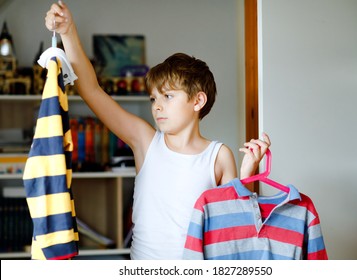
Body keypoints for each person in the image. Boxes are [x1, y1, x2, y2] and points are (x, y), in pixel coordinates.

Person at [45, 1, 271, 260]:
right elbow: (91, 90)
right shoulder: (145, 141)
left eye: (167, 97)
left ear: (198, 101)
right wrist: (68, 31)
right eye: (153, 99)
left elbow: (234, 231)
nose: (157, 107)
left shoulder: (219, 156)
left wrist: (247, 174)